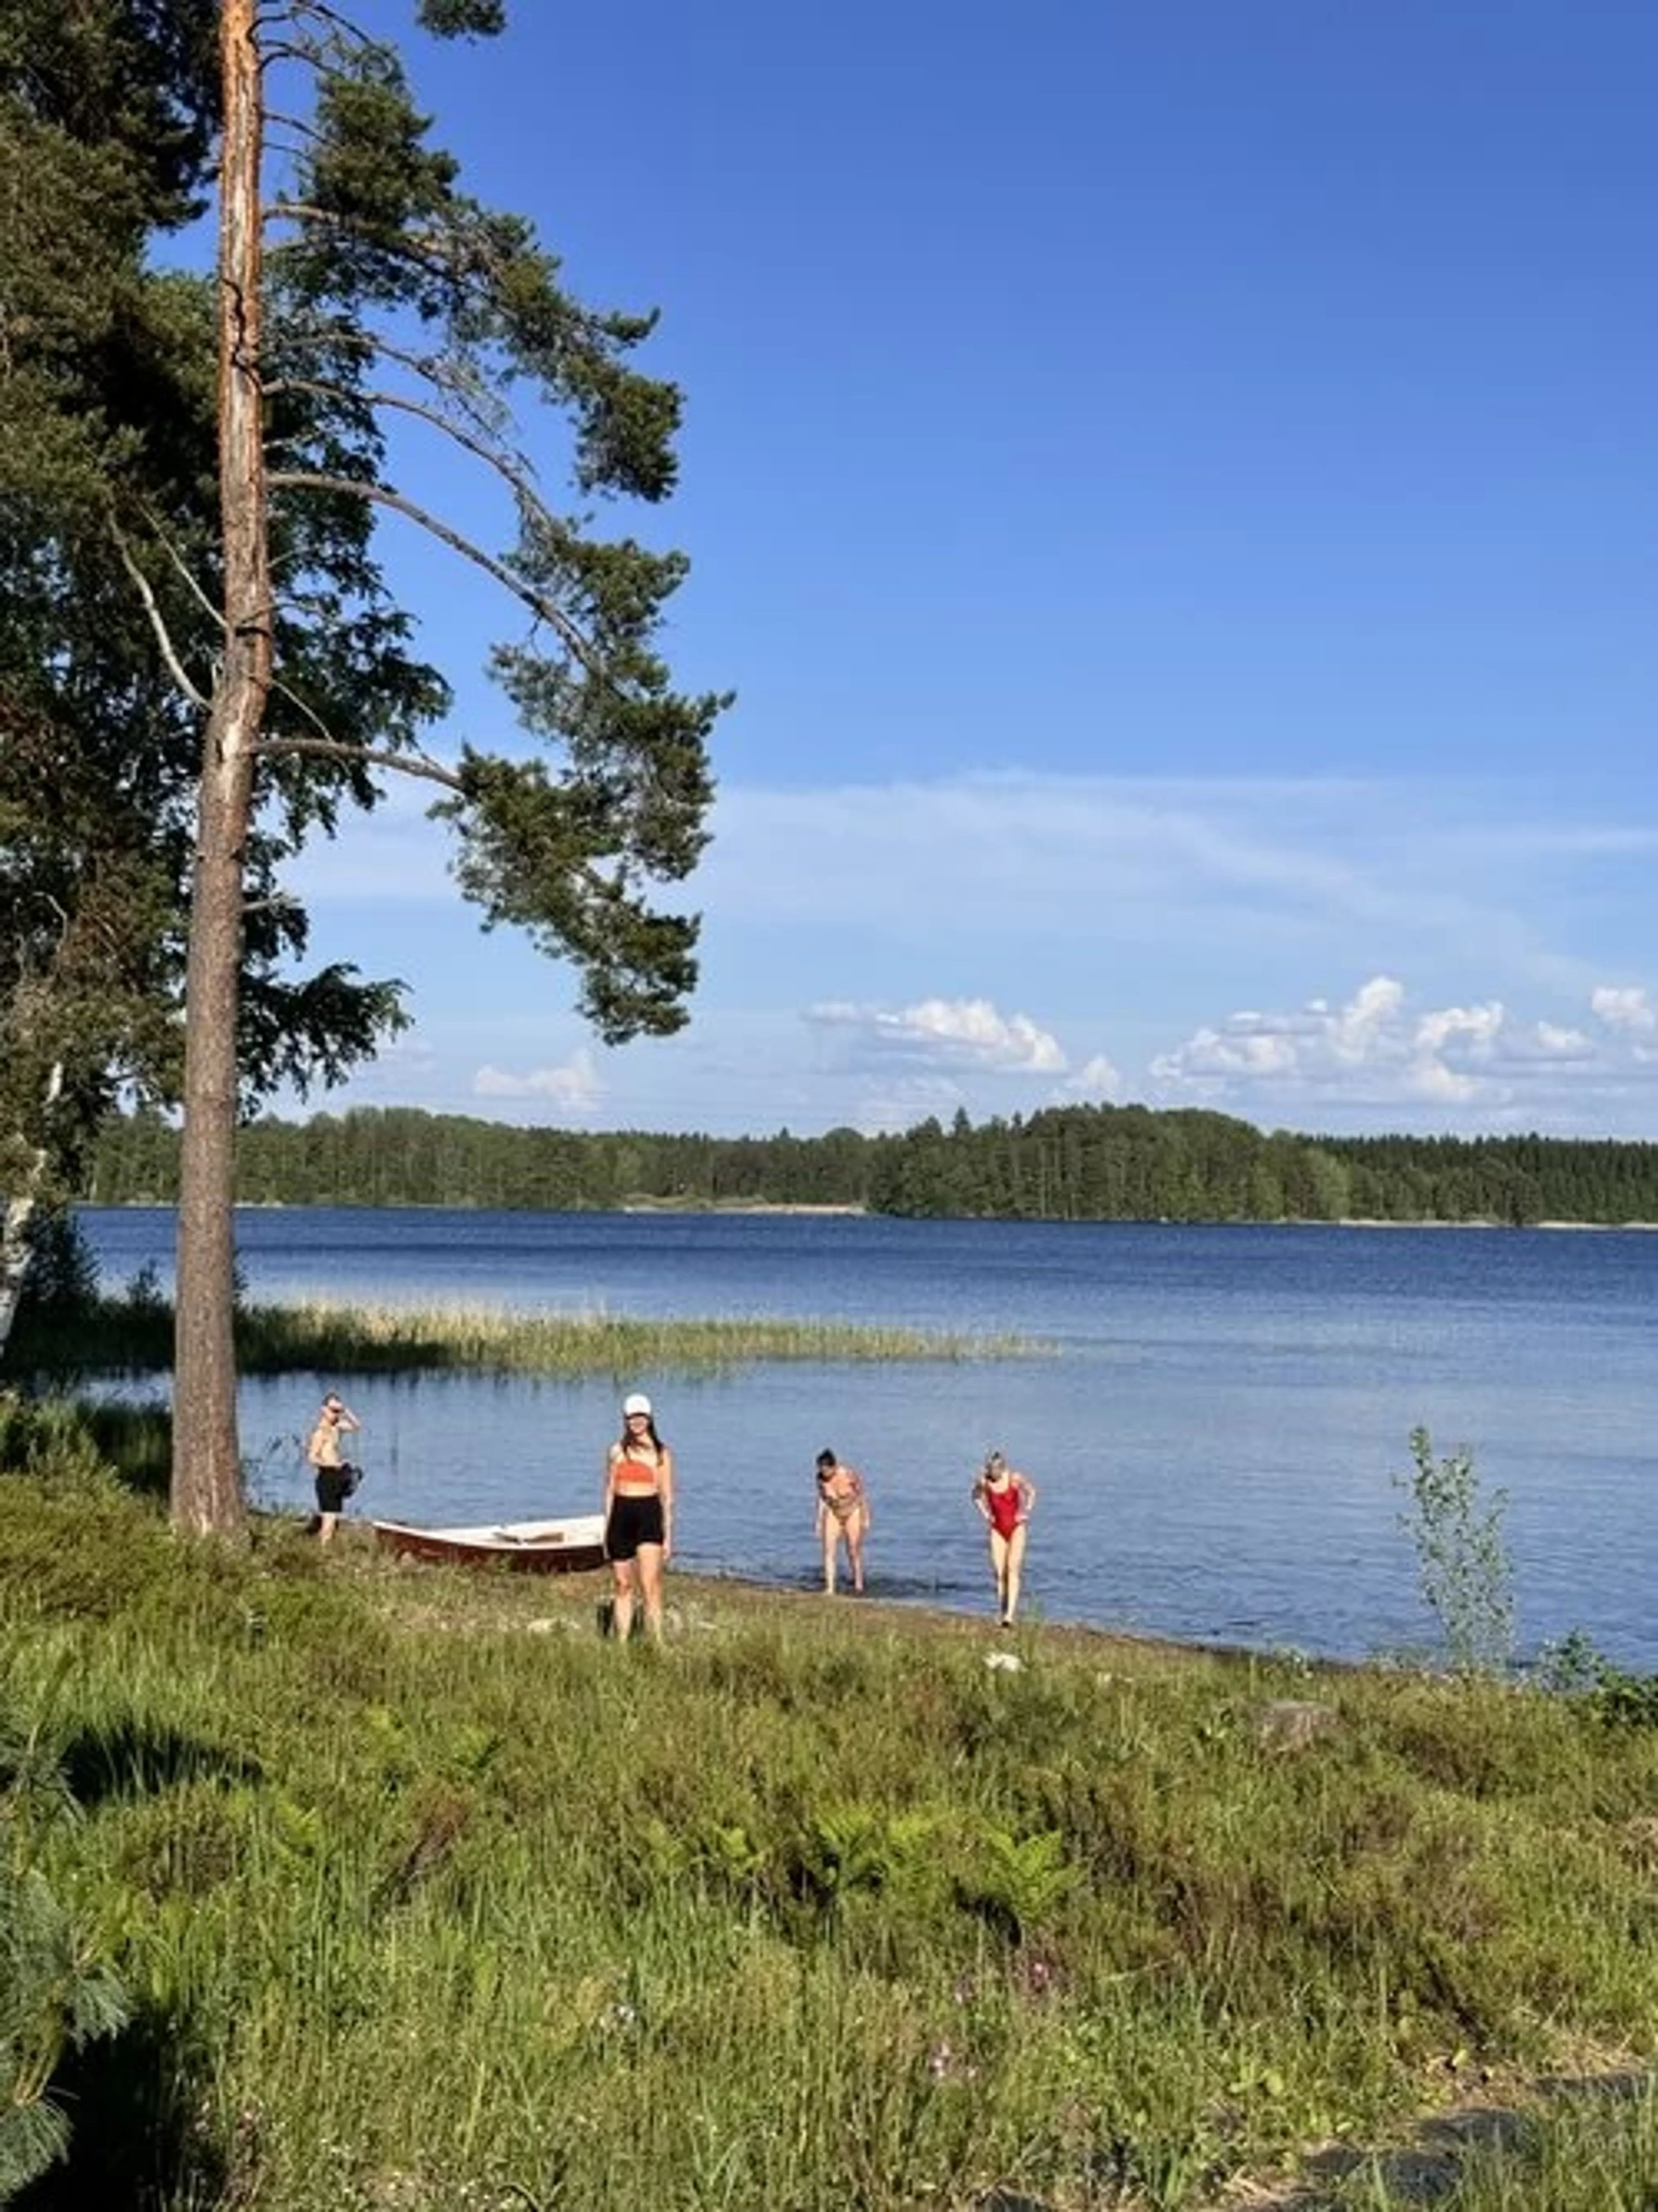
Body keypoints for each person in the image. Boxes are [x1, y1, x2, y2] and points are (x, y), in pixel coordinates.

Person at [603, 1391, 674, 1642]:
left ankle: (656, 1642)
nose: (637, 1422)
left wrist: (668, 1536)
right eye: (632, 1417)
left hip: (649, 1516)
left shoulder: (661, 1453)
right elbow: (610, 1491)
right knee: (623, 1585)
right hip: (621, 1516)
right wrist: (607, 1530)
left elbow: (667, 1497)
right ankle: (621, 1644)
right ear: (625, 1419)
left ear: (650, 1418)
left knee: (650, 1585)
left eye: (641, 1416)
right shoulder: (616, 1451)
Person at [971, 1448, 1036, 1627]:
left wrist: (1026, 1511)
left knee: (1013, 1570)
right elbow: (975, 1496)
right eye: (990, 1470)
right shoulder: (984, 1481)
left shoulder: (1015, 1478)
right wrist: (985, 1514)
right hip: (997, 1530)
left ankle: (1010, 1616)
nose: (993, 1474)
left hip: (1016, 1528)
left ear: (1002, 1468)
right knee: (1000, 1574)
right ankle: (1002, 1612)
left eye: (996, 1471)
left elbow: (1032, 1492)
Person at [815, 1447, 871, 1595]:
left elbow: (862, 1495)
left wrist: (866, 1517)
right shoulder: (820, 1479)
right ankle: (830, 1588)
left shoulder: (848, 1474)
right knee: (828, 1550)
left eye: (827, 1470)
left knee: (853, 1551)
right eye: (822, 1469)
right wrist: (819, 1521)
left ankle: (859, 1585)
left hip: (852, 1511)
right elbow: (822, 1500)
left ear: (834, 1466)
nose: (824, 1473)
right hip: (834, 1512)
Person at [307, 1391, 361, 1543]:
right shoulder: (320, 1432)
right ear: (323, 1410)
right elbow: (312, 1458)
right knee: (329, 1521)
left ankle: (324, 1550)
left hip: (337, 1477)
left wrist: (345, 1410)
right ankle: (323, 1552)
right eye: (333, 1410)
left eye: (338, 1411)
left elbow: (357, 1426)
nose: (336, 1414)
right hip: (326, 1478)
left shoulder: (337, 1428)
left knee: (333, 1518)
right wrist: (333, 1464)